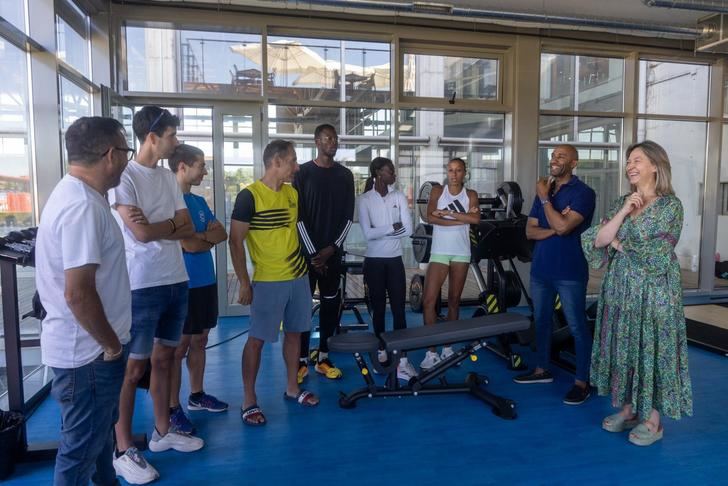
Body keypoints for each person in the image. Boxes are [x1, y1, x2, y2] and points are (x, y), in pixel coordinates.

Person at [35, 117, 132, 486]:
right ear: (111, 155)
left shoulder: (73, 194)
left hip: (86, 354)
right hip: (88, 356)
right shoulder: (83, 207)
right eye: (125, 151)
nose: (126, 160)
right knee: (79, 452)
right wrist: (109, 345)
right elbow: (77, 292)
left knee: (96, 441)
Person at [110, 106, 204, 485]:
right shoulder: (125, 178)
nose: (176, 142)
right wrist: (170, 227)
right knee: (133, 370)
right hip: (141, 284)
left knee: (167, 360)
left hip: (175, 279)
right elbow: (142, 235)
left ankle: (162, 431)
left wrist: (160, 226)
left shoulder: (167, 177)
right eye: (171, 135)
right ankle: (122, 449)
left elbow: (188, 225)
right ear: (152, 137)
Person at [581, 140, 692, 446]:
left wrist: (619, 243)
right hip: (621, 290)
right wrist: (625, 213)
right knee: (625, 345)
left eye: (637, 160)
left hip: (655, 292)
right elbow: (598, 238)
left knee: (651, 348)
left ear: (656, 166)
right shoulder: (622, 201)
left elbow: (657, 253)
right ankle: (629, 409)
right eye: (629, 160)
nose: (630, 165)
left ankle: (652, 419)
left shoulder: (671, 206)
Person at [230, 139, 320, 426]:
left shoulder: (292, 193)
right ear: (276, 162)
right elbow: (235, 241)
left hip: (298, 277)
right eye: (292, 161)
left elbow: (296, 231)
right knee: (256, 341)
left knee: (295, 334)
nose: (296, 166)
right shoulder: (249, 196)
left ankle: (293, 388)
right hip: (267, 281)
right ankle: (248, 400)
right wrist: (244, 282)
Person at [513, 144, 596, 406]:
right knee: (542, 321)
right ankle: (541, 370)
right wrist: (556, 225)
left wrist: (547, 202)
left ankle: (582, 382)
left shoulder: (584, 193)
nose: (554, 160)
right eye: (552, 156)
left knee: (577, 326)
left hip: (570, 271)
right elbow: (530, 231)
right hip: (541, 269)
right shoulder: (545, 191)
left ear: (574, 163)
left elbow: (564, 226)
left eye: (561, 156)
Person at [167, 144, 229, 435]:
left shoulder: (199, 202)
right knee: (178, 348)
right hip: (182, 284)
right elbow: (188, 245)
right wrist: (204, 238)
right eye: (201, 165)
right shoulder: (169, 202)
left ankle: (196, 395)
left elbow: (222, 233)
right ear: (182, 167)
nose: (205, 170)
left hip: (206, 281)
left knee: (201, 340)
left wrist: (200, 236)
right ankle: (171, 408)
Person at [294, 124, 355, 382]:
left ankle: (323, 357)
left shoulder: (345, 175)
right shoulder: (303, 173)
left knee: (331, 304)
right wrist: (313, 254)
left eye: (336, 138)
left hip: (332, 255)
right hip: (306, 256)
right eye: (328, 138)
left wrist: (331, 250)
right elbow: (298, 217)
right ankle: (300, 360)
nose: (334, 142)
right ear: (317, 141)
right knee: (302, 307)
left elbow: (348, 217)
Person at [357, 157, 417, 380]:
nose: (394, 174)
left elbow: (409, 229)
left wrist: (381, 230)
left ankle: (402, 359)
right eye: (390, 171)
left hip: (394, 260)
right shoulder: (364, 200)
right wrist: (393, 227)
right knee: (379, 309)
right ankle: (381, 352)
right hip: (373, 261)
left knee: (400, 309)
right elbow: (367, 234)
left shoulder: (398, 196)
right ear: (378, 173)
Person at [420, 158, 480, 370]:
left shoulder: (470, 194)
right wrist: (462, 218)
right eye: (451, 170)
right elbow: (430, 218)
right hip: (440, 252)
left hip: (461, 252)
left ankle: (447, 349)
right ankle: (431, 351)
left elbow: (476, 220)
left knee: (454, 301)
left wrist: (448, 213)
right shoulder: (438, 191)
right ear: (447, 172)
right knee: (429, 301)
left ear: (465, 172)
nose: (454, 174)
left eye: (458, 170)